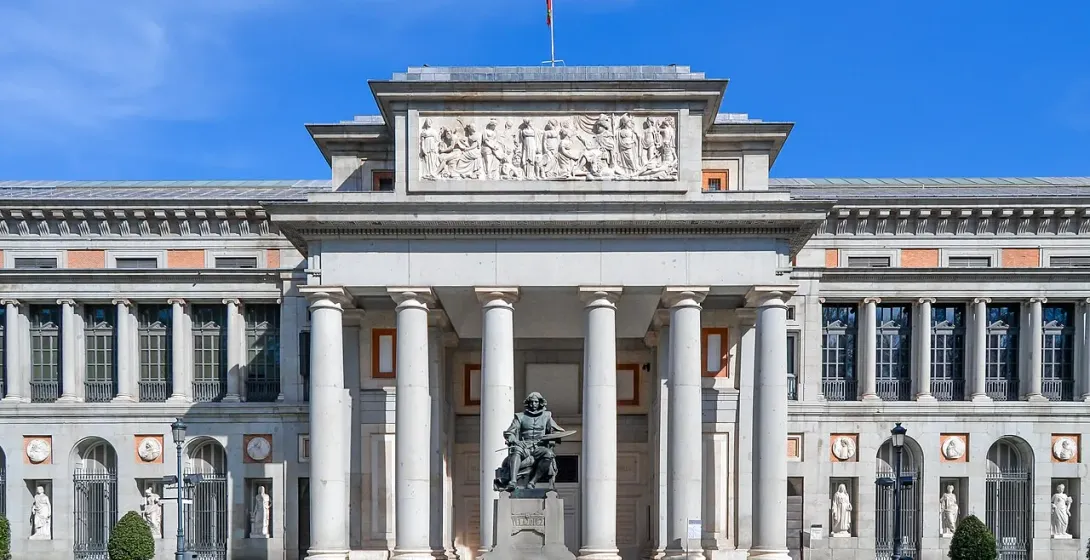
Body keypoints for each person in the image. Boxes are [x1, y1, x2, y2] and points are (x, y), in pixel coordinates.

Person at [494, 392, 566, 491]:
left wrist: (553, 436)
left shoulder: (546, 416)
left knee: (548, 454)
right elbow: (510, 432)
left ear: (540, 403)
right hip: (524, 446)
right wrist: (515, 440)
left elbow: (556, 431)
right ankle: (513, 481)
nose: (533, 404)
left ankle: (532, 482)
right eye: (531, 402)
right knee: (516, 451)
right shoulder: (520, 417)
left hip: (539, 447)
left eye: (536, 402)